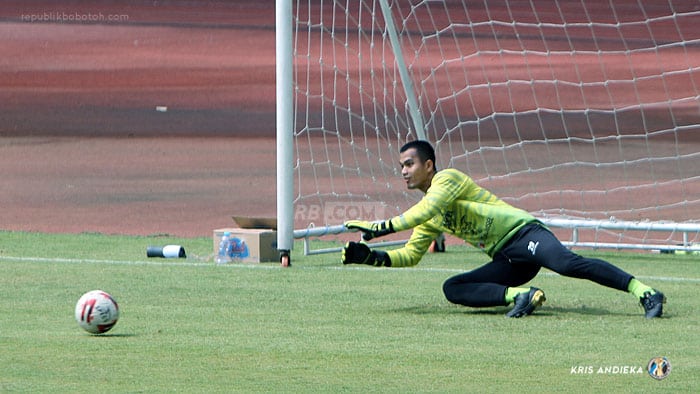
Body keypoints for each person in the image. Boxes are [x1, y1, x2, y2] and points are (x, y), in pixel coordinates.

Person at [341, 140, 666, 318]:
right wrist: (372, 257)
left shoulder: (446, 179)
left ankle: (645, 292)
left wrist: (379, 228)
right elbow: (411, 255)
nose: (403, 172)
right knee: (453, 288)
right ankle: (519, 297)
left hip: (524, 235)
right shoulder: (428, 213)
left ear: (428, 165)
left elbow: (425, 209)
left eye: (409, 164)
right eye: (400, 167)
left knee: (566, 264)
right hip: (509, 260)